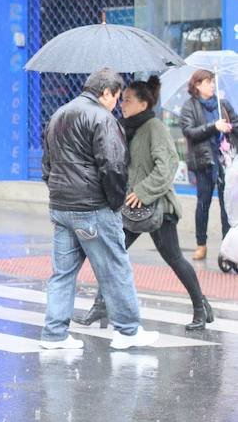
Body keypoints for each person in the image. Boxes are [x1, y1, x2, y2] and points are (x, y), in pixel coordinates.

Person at [73, 76, 214, 331]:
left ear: (143, 104)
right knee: (111, 254)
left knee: (174, 259)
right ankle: (101, 305)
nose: (122, 104)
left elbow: (168, 165)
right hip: (132, 208)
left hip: (159, 208)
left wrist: (143, 191)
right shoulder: (126, 127)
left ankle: (199, 307)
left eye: (127, 100)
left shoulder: (154, 127)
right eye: (122, 99)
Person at [40, 68, 159, 351]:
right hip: (93, 206)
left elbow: (47, 165)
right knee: (115, 267)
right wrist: (115, 203)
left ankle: (54, 333)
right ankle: (128, 331)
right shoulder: (103, 119)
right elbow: (114, 166)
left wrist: (59, 192)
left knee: (62, 273)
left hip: (61, 205)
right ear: (106, 92)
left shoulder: (59, 114)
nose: (117, 103)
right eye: (117, 97)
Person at [179, 69, 237, 260]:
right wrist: (214, 127)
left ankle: (226, 247)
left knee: (226, 205)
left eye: (212, 81)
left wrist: (230, 127)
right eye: (207, 82)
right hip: (204, 161)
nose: (211, 85)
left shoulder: (223, 104)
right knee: (203, 203)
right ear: (197, 85)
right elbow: (189, 131)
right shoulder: (190, 107)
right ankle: (201, 244)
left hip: (225, 160)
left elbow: (236, 123)